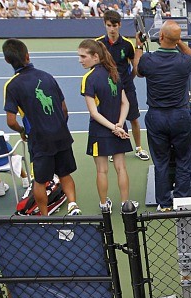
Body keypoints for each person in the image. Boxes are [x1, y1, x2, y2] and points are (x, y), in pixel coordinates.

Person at [2, 38, 81, 216]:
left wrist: (23, 131)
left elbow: (11, 121)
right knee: (65, 173)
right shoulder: (47, 76)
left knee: (40, 181)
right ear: (27, 55)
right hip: (61, 135)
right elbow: (64, 109)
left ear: (7, 60)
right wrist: (58, 127)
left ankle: (44, 217)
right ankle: (73, 205)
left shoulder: (12, 86)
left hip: (40, 140)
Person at [131, 20, 191, 212]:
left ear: (160, 37)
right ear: (176, 40)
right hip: (180, 116)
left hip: (157, 117)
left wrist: (139, 45)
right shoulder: (184, 62)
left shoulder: (148, 60)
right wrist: (179, 42)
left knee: (160, 161)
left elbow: (137, 69)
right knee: (184, 160)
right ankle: (182, 202)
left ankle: (165, 203)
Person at [78, 39, 135, 213]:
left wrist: (113, 128)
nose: (80, 60)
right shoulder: (114, 72)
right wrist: (119, 124)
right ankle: (126, 204)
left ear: (95, 56)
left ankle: (104, 206)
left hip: (100, 131)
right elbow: (126, 103)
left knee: (102, 171)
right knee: (121, 168)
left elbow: (94, 113)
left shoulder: (88, 78)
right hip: (118, 128)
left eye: (83, 56)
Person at [97, 10, 150, 162]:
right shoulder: (99, 44)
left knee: (133, 118)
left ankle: (138, 148)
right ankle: (114, 148)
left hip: (126, 87)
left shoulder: (127, 45)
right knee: (110, 119)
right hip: (107, 89)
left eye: (114, 25)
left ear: (119, 25)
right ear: (104, 25)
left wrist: (127, 80)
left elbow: (135, 67)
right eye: (108, 25)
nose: (112, 29)